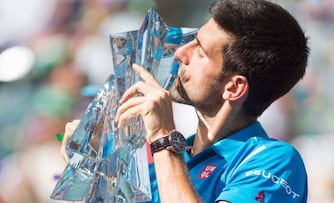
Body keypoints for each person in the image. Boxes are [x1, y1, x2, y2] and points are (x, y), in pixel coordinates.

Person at [61, 0, 309, 202]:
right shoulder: (163, 160)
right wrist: (92, 172)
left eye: (200, 51)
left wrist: (163, 135)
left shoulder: (275, 162)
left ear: (234, 87)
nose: (180, 53)